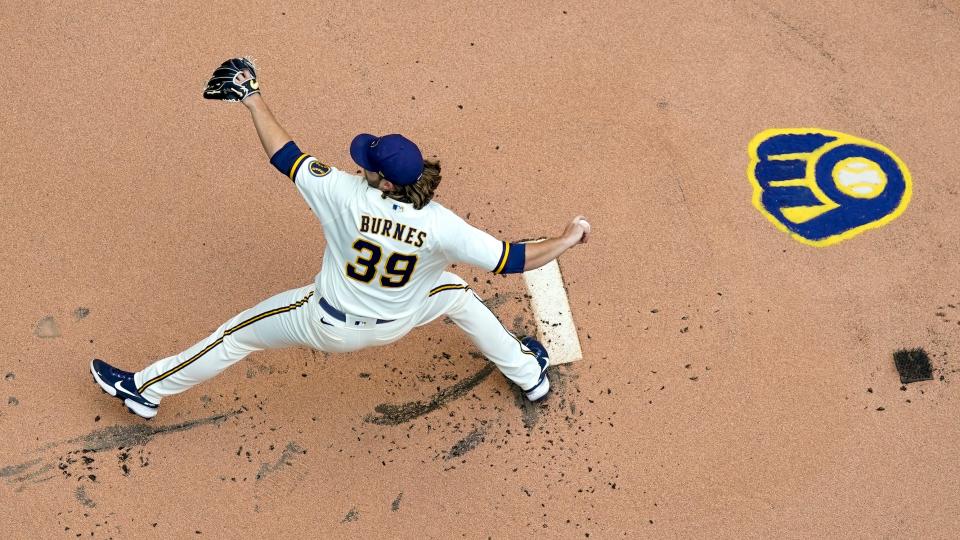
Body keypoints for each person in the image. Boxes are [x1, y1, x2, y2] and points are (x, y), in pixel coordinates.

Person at [90, 58, 591, 419]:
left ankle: (143, 390)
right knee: (456, 295)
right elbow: (514, 258)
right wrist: (566, 239)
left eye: (370, 165)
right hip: (400, 318)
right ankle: (530, 375)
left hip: (326, 322)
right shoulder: (443, 226)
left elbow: (285, 155)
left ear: (387, 182)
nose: (361, 166)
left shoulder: (345, 194)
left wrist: (251, 96)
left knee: (236, 335)